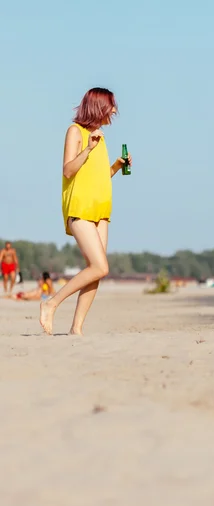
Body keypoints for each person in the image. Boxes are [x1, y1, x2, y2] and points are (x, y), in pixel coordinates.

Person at [39, 87, 132, 335]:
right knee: (101, 266)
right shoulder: (76, 132)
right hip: (79, 208)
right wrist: (88, 149)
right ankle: (51, 303)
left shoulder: (100, 136)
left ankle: (76, 329)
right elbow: (68, 170)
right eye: (111, 105)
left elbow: (98, 178)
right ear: (98, 106)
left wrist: (116, 166)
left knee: (95, 272)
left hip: (101, 210)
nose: (114, 110)